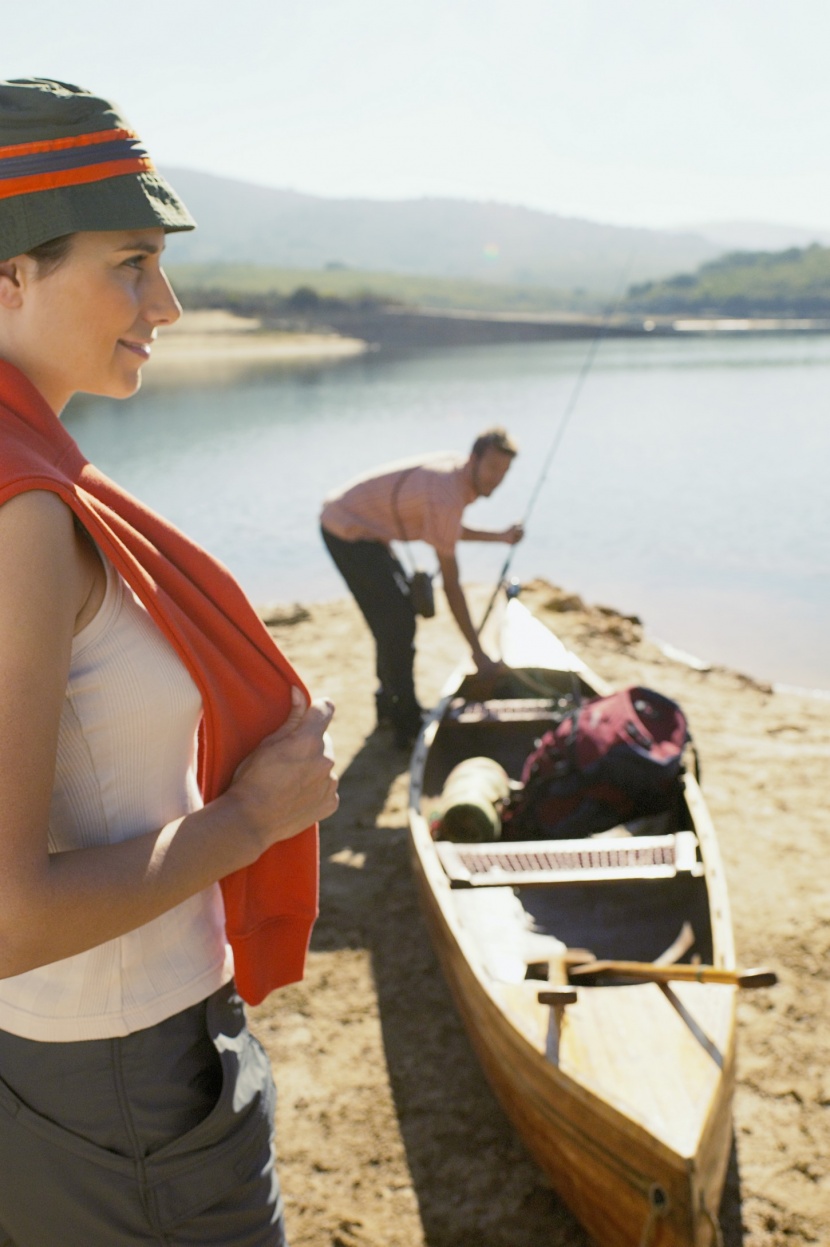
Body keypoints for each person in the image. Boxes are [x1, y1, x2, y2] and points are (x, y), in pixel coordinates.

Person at [0, 79, 339, 1247]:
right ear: (9, 277)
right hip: (120, 1082)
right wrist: (257, 815)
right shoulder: (21, 510)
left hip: (91, 1069)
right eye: (131, 262)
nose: (171, 302)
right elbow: (8, 912)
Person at [320, 427, 524, 747]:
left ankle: (390, 707)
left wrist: (499, 537)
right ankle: (406, 724)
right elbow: (452, 586)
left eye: (505, 471)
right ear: (474, 459)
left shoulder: (457, 476)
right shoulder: (447, 492)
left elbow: (444, 526)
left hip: (370, 532)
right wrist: (478, 652)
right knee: (397, 624)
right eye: (493, 468)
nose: (498, 478)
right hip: (346, 530)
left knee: (394, 623)